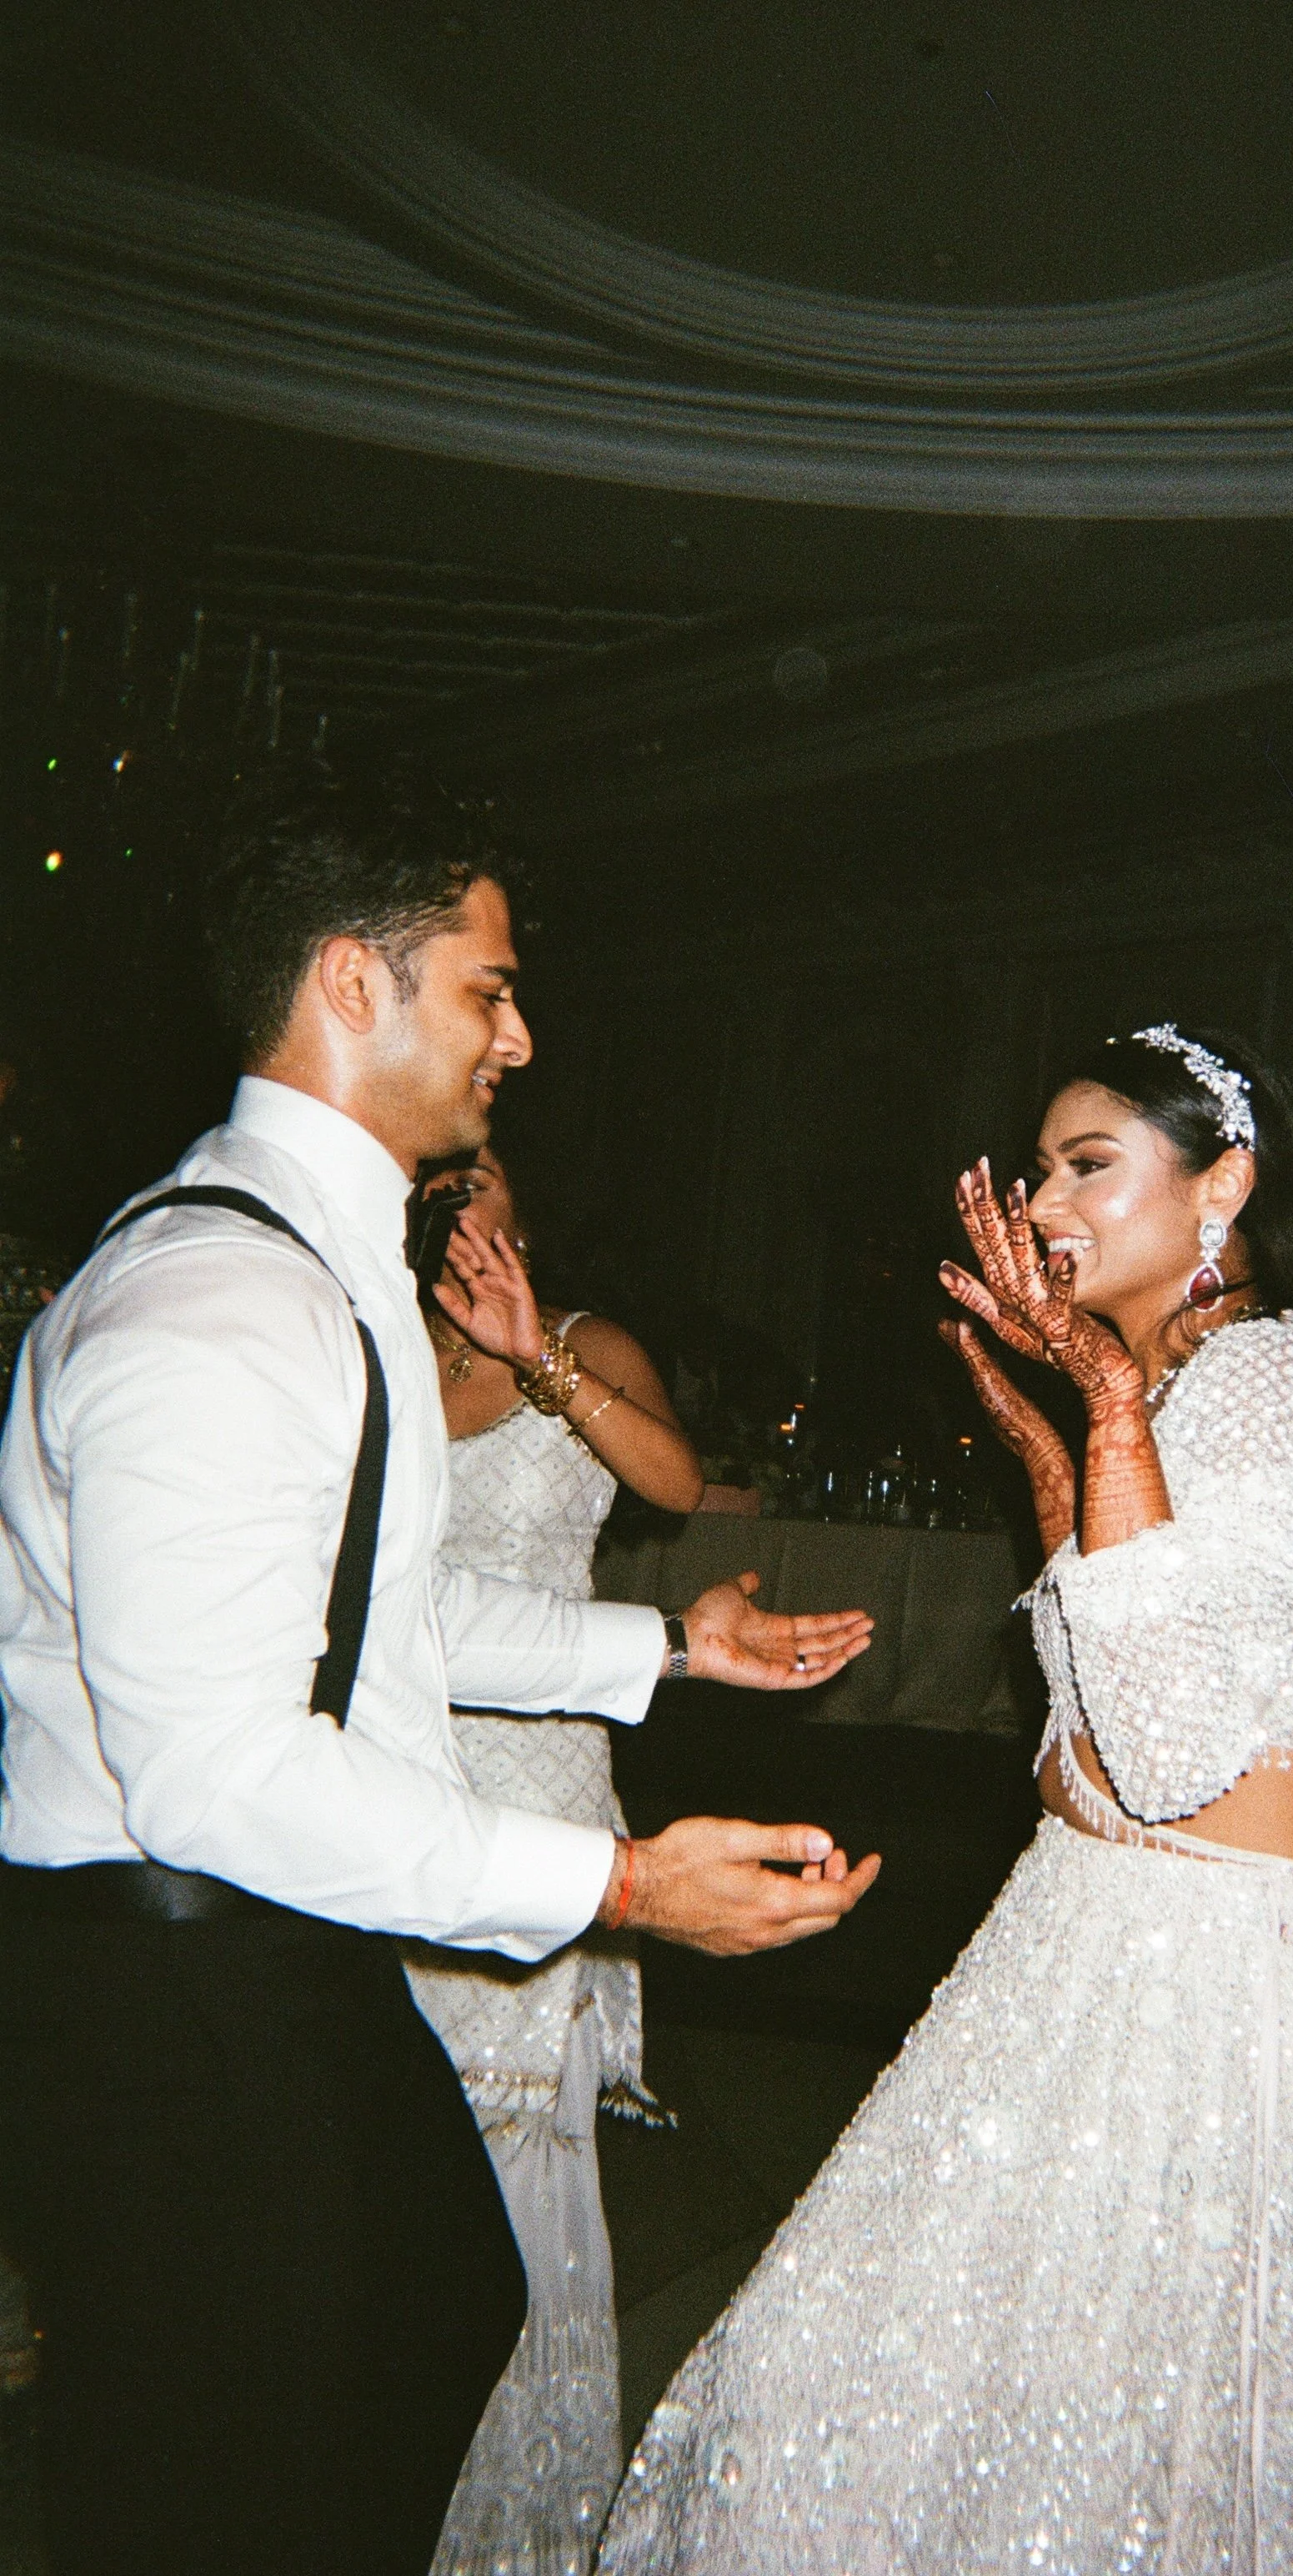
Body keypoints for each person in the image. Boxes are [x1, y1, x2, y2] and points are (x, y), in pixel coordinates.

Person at [0, 756, 879, 2576]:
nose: (523, 1037)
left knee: (423, 2315)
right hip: (176, 1968)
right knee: (237, 2460)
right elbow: (219, 1766)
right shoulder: (215, 1306)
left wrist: (664, 1642)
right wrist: (624, 1880)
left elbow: (373, 1615)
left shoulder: (316, 1268)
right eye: (487, 985)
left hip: (257, 1940)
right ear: (351, 979)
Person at [598, 1026, 1293, 2576]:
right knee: (892, 2389)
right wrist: (1060, 1437)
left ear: (1222, 1183)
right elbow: (1078, 1739)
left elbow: (1164, 1752)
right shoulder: (1176, 1380)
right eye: (1035, 1167)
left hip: (1200, 1984)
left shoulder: (1270, 1374)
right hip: (1084, 1927)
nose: (1041, 1199)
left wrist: (1096, 1401)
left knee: (1103, 2437)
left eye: (1089, 1162)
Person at [405, 1143, 703, 2572]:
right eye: (440, 1203)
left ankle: (519, 2525)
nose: (468, 1224)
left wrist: (539, 1362)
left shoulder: (584, 1339)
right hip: (400, 1783)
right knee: (403, 2150)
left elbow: (675, 1476)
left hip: (546, 1770)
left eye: (490, 1200)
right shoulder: (379, 1347)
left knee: (524, 2159)